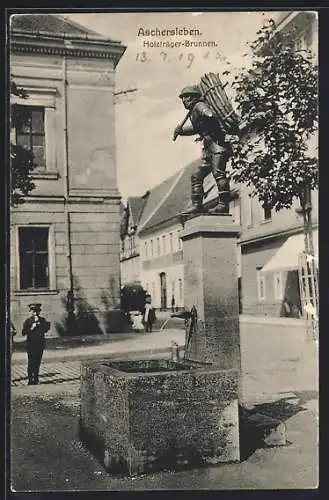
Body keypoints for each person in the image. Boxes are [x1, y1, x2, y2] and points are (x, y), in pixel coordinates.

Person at [173, 85, 232, 214]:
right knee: (197, 176)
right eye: (182, 98)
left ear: (194, 97)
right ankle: (197, 205)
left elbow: (210, 115)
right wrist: (181, 131)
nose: (184, 100)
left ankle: (223, 205)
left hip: (217, 145)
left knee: (218, 174)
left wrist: (205, 113)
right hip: (208, 147)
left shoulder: (199, 106)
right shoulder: (193, 111)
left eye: (186, 97)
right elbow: (196, 129)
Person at [22, 303, 50, 385]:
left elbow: (45, 329)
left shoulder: (42, 320)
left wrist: (42, 326)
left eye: (37, 311)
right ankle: (30, 379)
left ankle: (36, 378)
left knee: (37, 362)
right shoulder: (28, 321)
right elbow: (23, 332)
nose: (35, 313)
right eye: (33, 312)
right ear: (30, 312)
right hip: (31, 345)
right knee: (31, 362)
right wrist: (32, 327)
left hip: (40, 344)